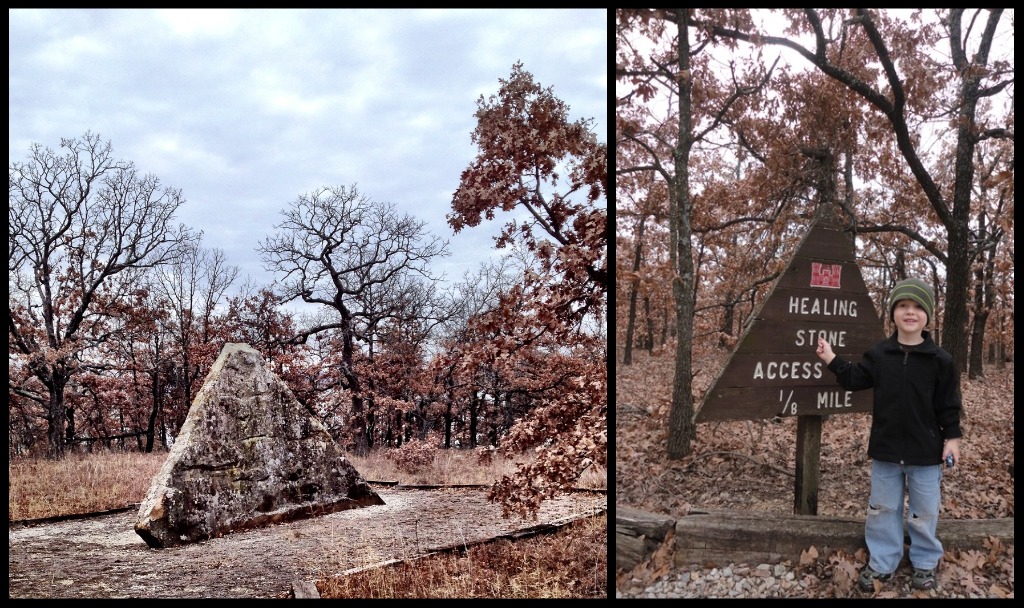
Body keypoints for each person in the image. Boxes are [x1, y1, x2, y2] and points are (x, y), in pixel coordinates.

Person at [815, 277, 962, 592]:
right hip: (886, 450)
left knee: (925, 512)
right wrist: (831, 359)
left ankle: (924, 563)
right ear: (893, 312)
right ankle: (883, 562)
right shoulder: (880, 354)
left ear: (927, 315)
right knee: (883, 509)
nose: (910, 312)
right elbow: (854, 378)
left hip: (926, 452)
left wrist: (952, 438)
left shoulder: (941, 361)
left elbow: (949, 405)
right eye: (903, 305)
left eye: (918, 307)